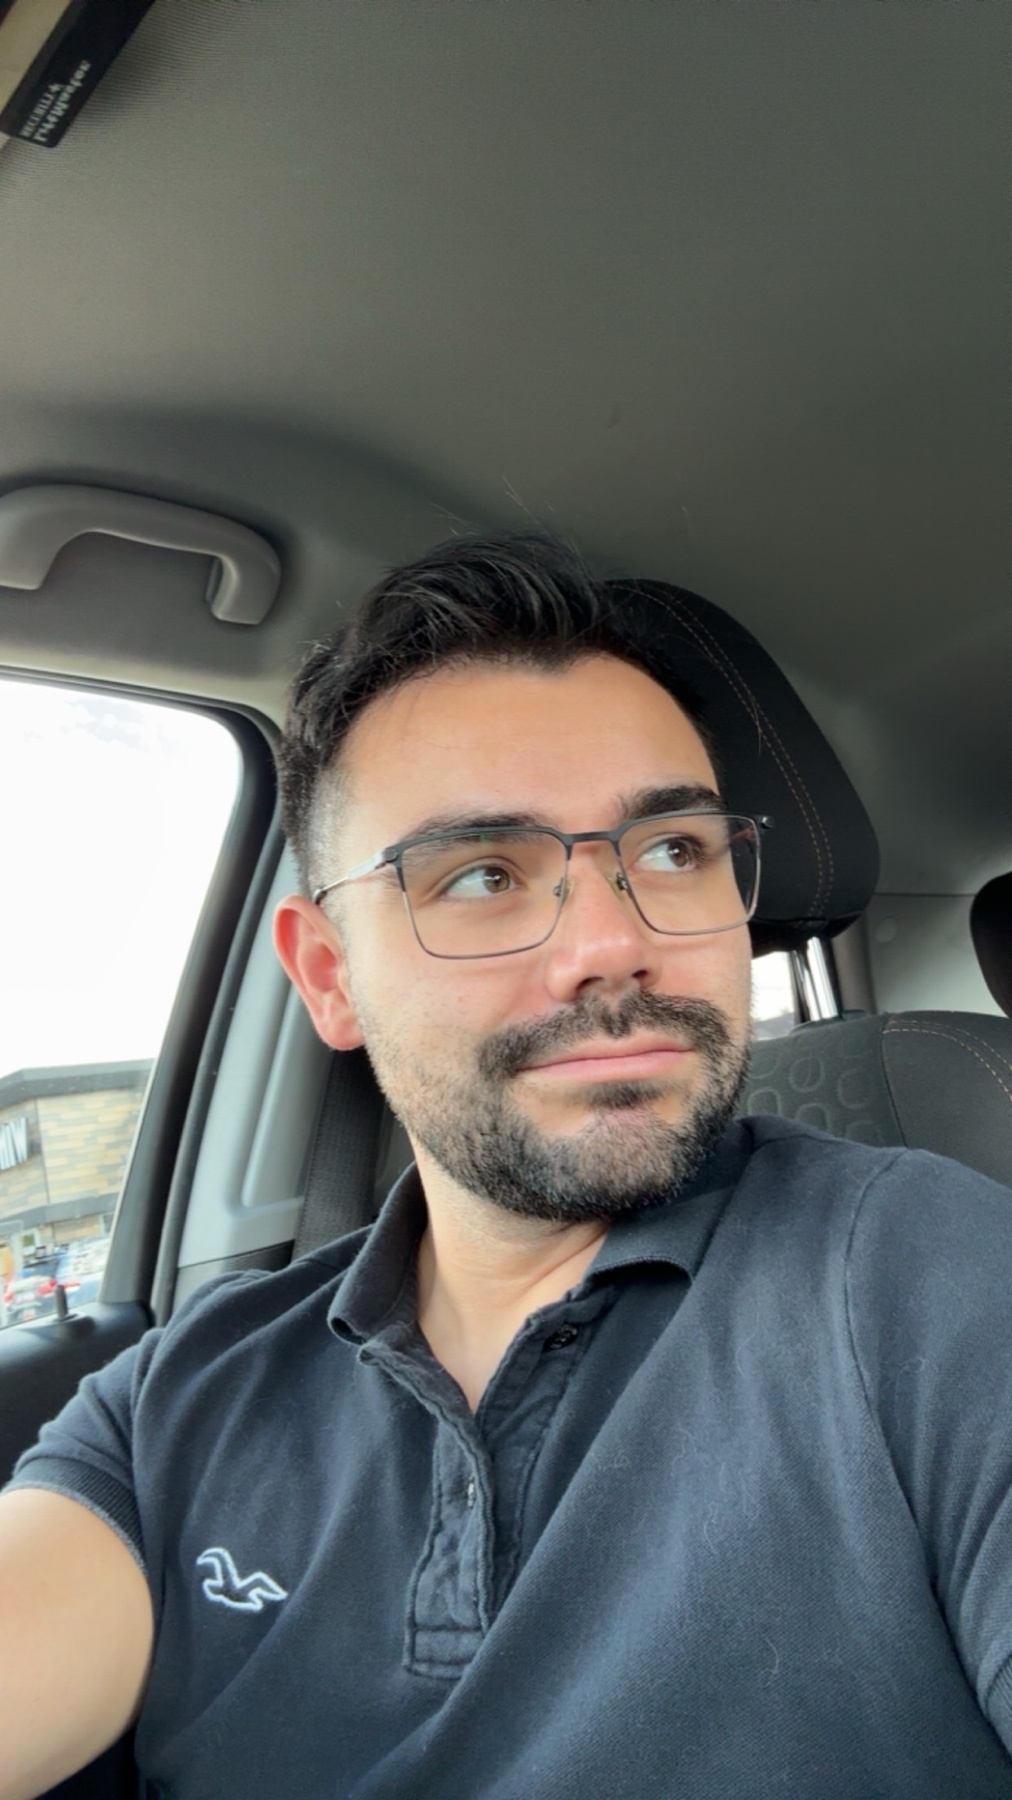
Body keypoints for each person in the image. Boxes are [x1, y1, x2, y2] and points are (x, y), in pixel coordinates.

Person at [1, 535, 1011, 1800]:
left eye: (673, 851)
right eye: (483, 874)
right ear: (329, 976)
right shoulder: (179, 1397)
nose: (611, 943)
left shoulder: (933, 1277)